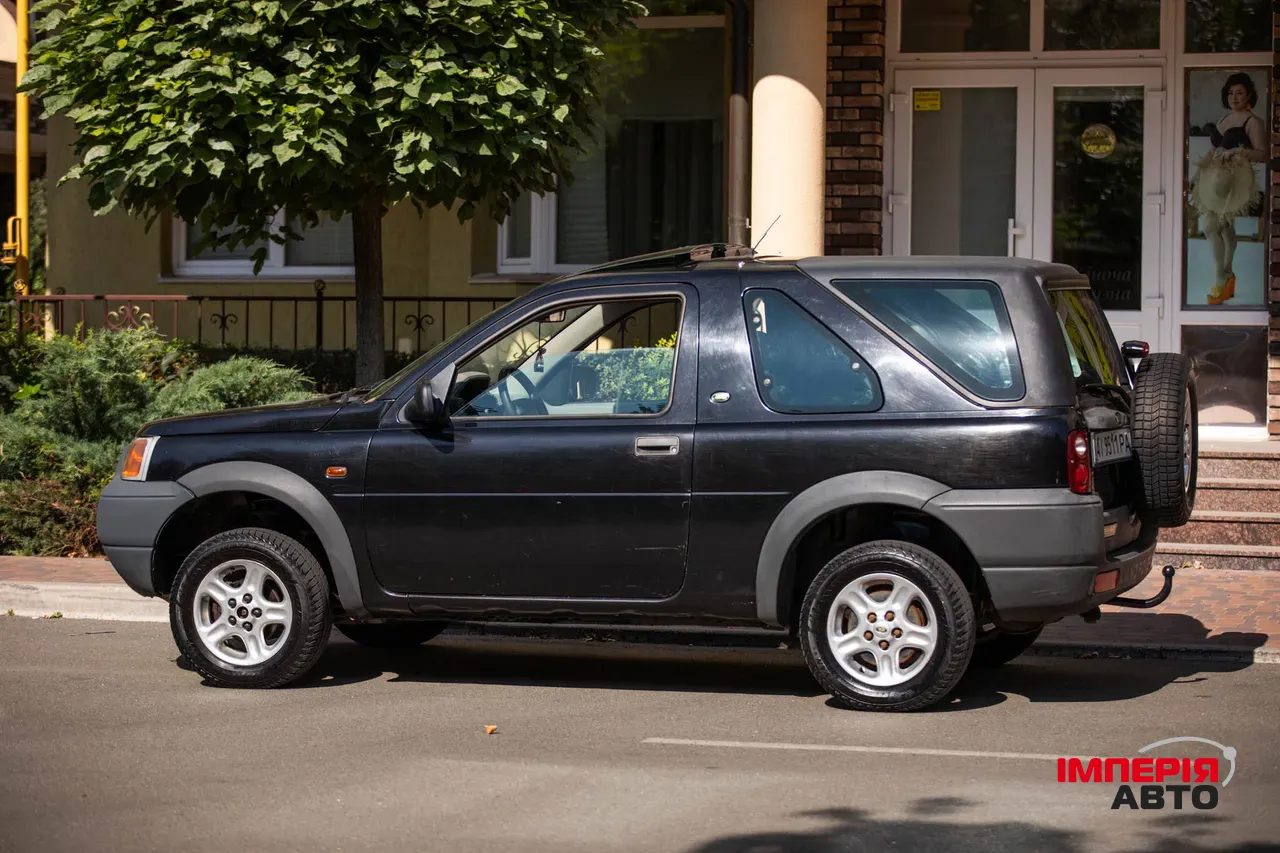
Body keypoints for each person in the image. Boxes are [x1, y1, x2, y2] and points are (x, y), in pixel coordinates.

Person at [1190, 72, 1267, 305]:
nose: (1235, 97)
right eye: (1231, 93)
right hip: (1216, 180)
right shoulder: (1225, 119)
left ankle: (1220, 276)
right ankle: (1228, 274)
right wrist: (1198, 173)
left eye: (1240, 93)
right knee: (1223, 227)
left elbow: (1263, 154)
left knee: (1212, 226)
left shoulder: (1253, 122)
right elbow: (1216, 149)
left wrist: (1238, 152)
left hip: (1236, 182)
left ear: (1249, 95)